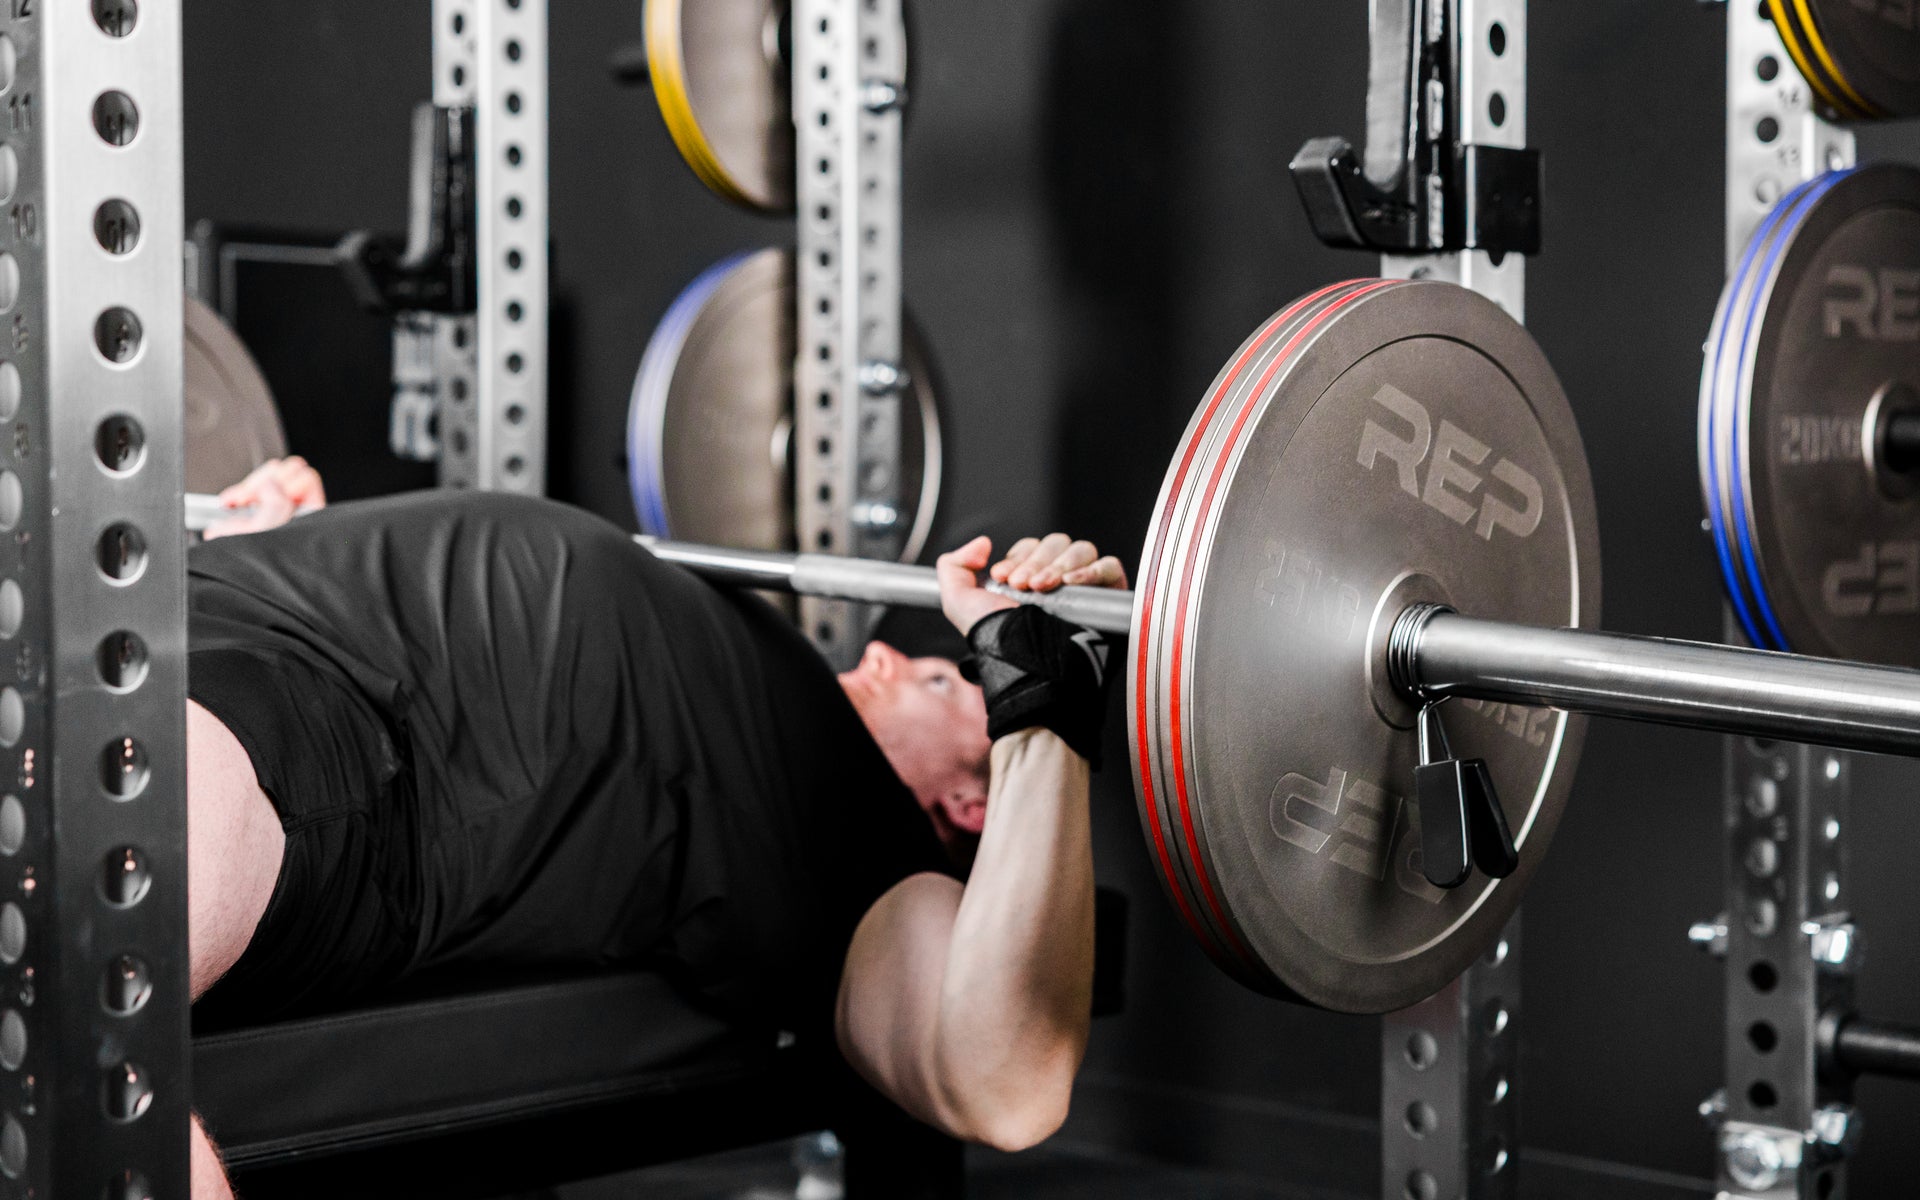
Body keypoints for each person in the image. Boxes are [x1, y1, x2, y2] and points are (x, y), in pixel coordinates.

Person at [187, 461, 1128, 1198]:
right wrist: (278, 526)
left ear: (969, 804)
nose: (883, 650)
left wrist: (1043, 709)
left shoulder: (856, 859)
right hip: (211, 593)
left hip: (341, 726)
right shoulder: (775, 678)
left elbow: (1008, 1089)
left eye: (946, 678)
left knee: (86, 942)